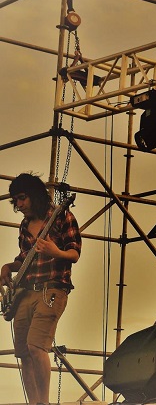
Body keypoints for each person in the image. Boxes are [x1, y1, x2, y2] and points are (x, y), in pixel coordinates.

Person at [0, 173, 81, 404]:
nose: (19, 204)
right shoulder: (25, 225)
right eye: (15, 200)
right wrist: (7, 267)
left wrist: (56, 252)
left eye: (22, 198)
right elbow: (24, 260)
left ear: (34, 195)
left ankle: (44, 403)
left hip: (52, 290)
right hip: (26, 292)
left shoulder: (62, 216)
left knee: (36, 346)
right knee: (24, 353)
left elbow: (74, 253)